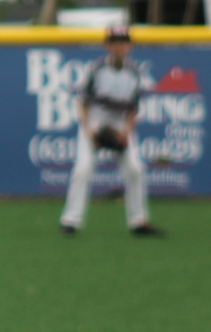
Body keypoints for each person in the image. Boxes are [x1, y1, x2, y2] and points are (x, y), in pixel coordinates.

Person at [59, 25, 165, 238]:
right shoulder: (97, 69)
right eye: (115, 42)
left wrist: (127, 132)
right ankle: (70, 221)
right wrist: (90, 131)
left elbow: (133, 109)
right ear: (107, 46)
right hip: (95, 122)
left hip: (119, 125)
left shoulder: (134, 73)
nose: (119, 46)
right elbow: (82, 103)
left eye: (123, 42)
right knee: (83, 169)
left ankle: (139, 222)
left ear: (130, 46)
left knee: (135, 169)